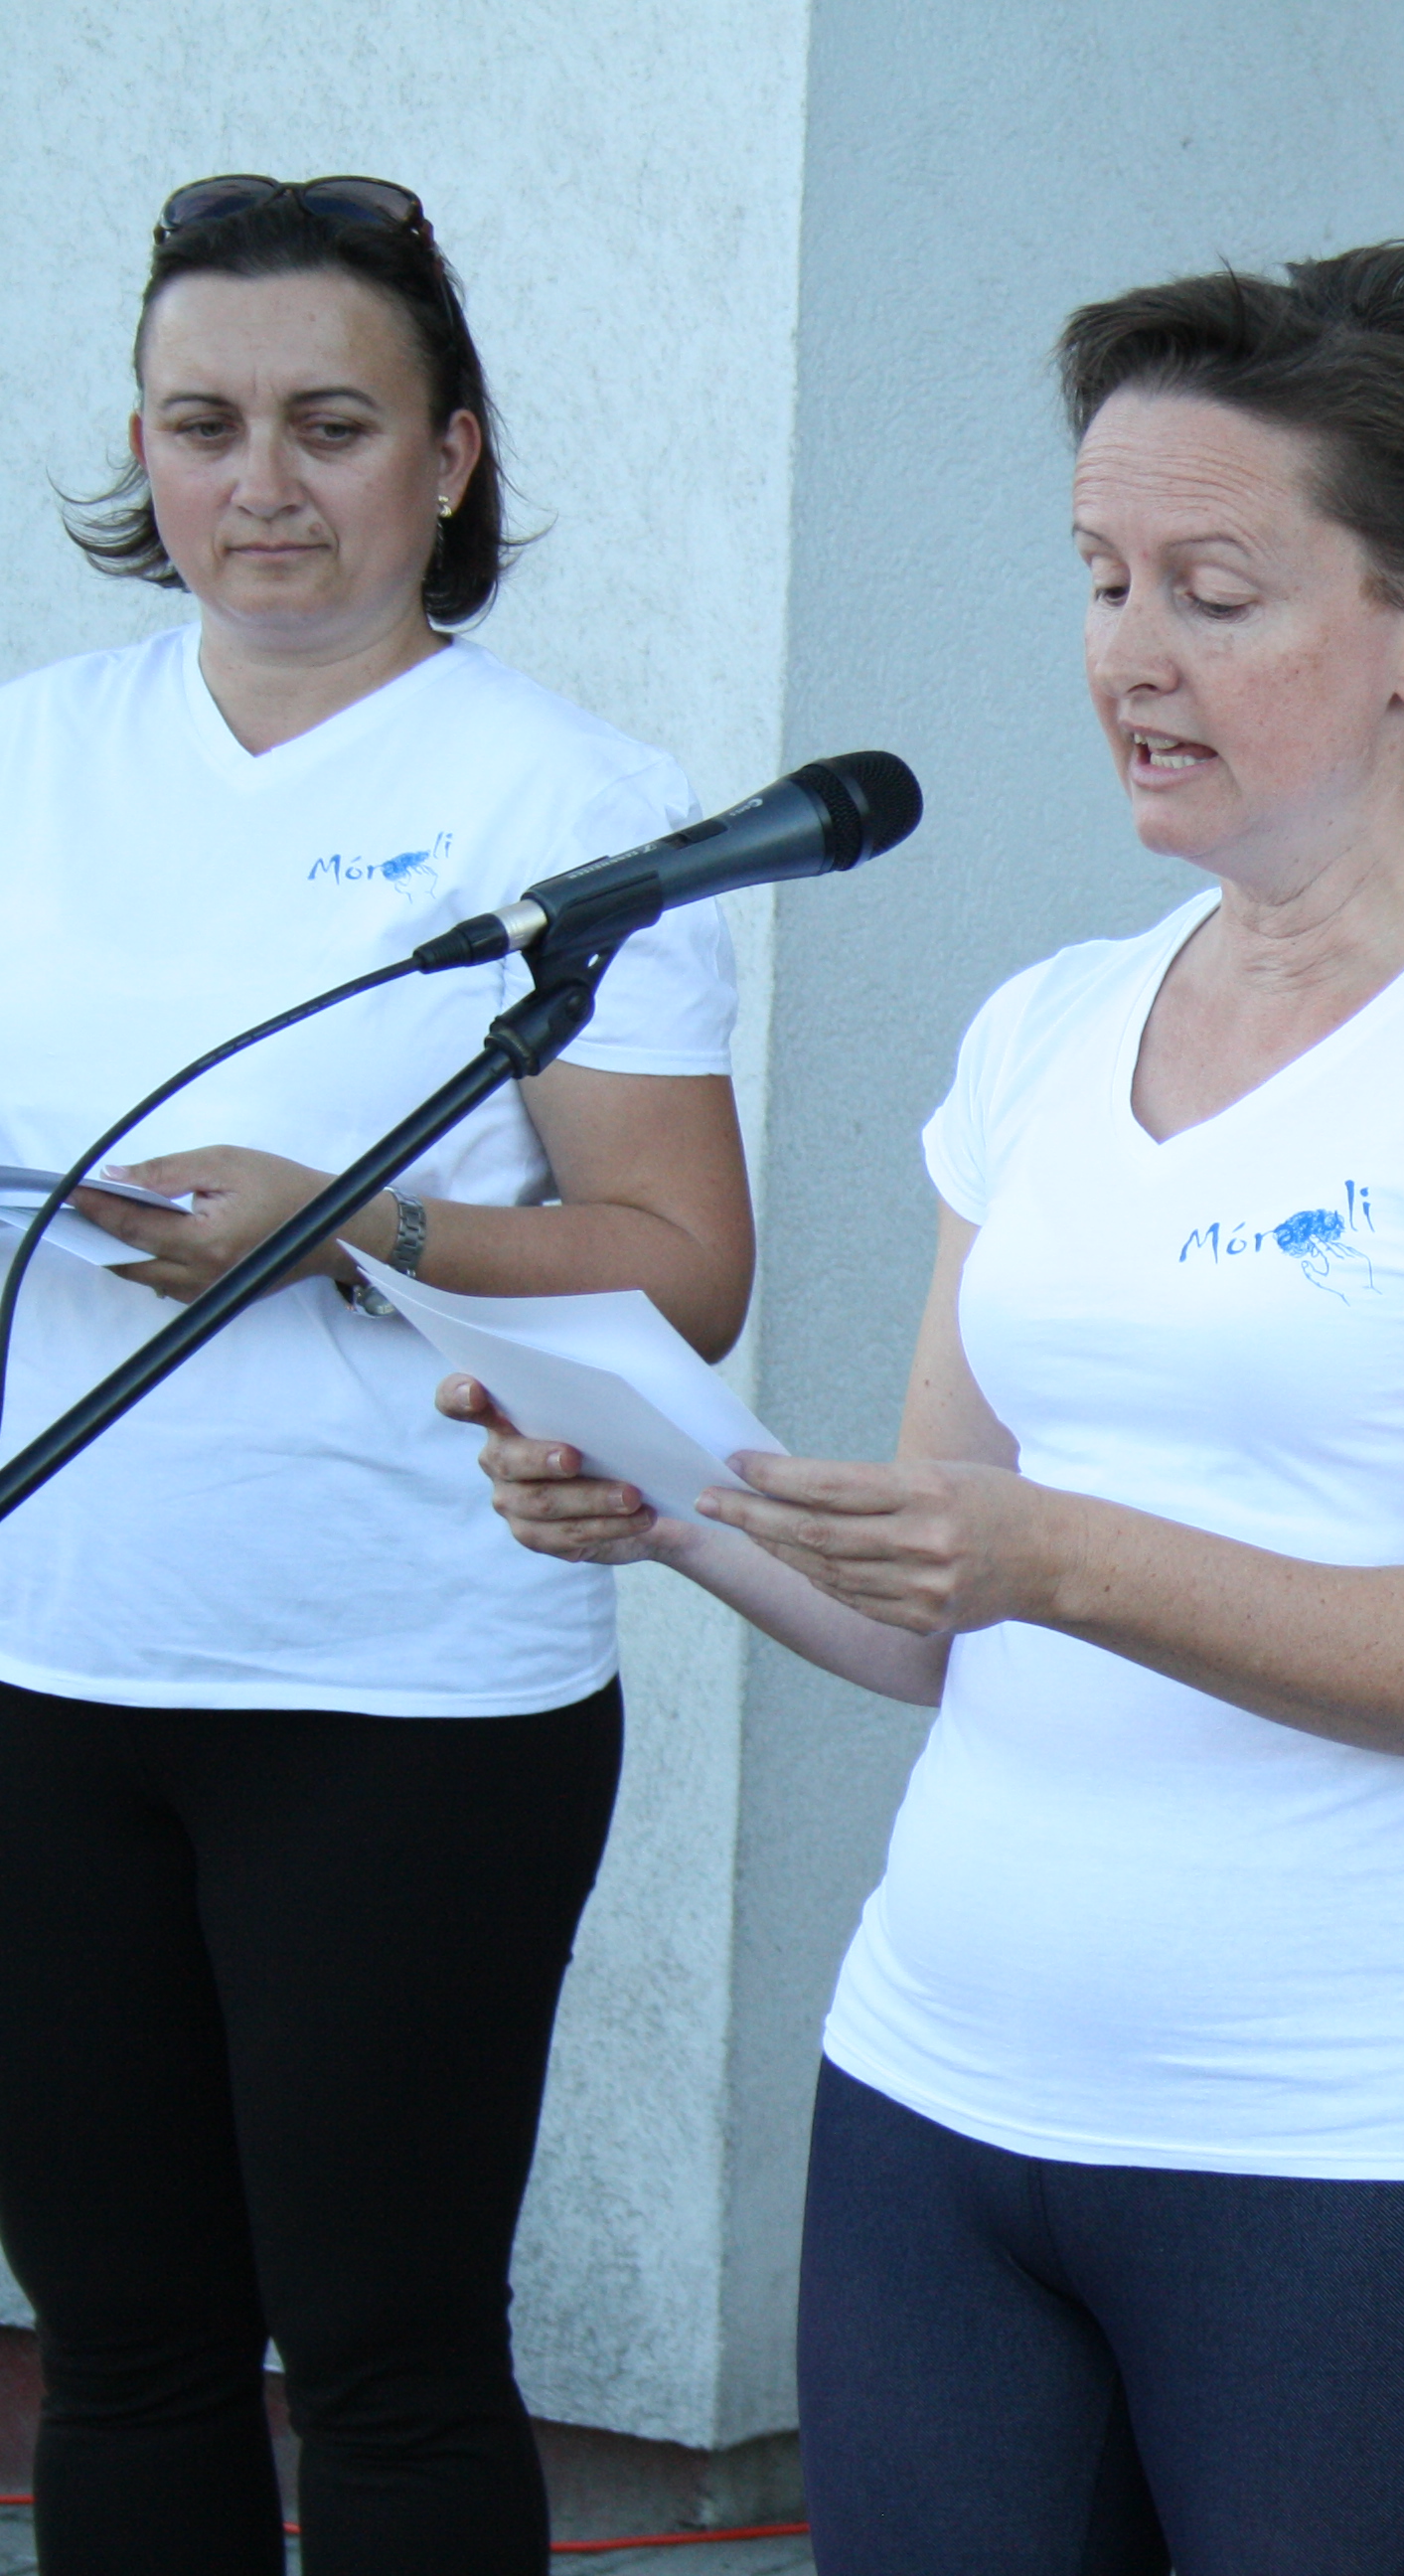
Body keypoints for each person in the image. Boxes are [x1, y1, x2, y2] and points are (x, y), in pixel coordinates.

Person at [460, 240, 1404, 2576]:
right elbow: (933, 1599)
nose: (1130, 654)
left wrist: (1059, 1555)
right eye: (1100, 577)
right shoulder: (1045, 1026)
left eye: (1213, 593)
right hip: (941, 2081)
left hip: (1355, 2129)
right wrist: (672, 1504)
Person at [0, 178, 752, 2575]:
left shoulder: (577, 808)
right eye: (202, 424)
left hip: (401, 1695)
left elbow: (681, 1268)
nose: (261, 482)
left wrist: (352, 1229)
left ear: (447, 456)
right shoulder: (28, 757)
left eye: (330, 424)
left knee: (389, 2357)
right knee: (121, 2351)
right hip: (42, 1665)